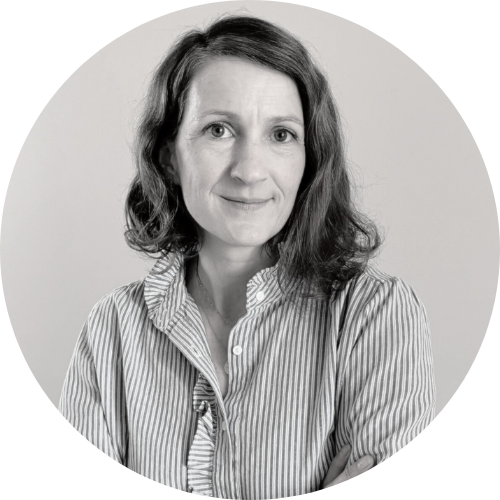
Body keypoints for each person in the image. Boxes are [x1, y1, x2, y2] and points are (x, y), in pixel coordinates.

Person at [59, 14, 435, 499]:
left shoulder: (375, 316)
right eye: (218, 130)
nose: (250, 170)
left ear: (309, 159)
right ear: (170, 156)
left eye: (281, 135)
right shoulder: (111, 331)